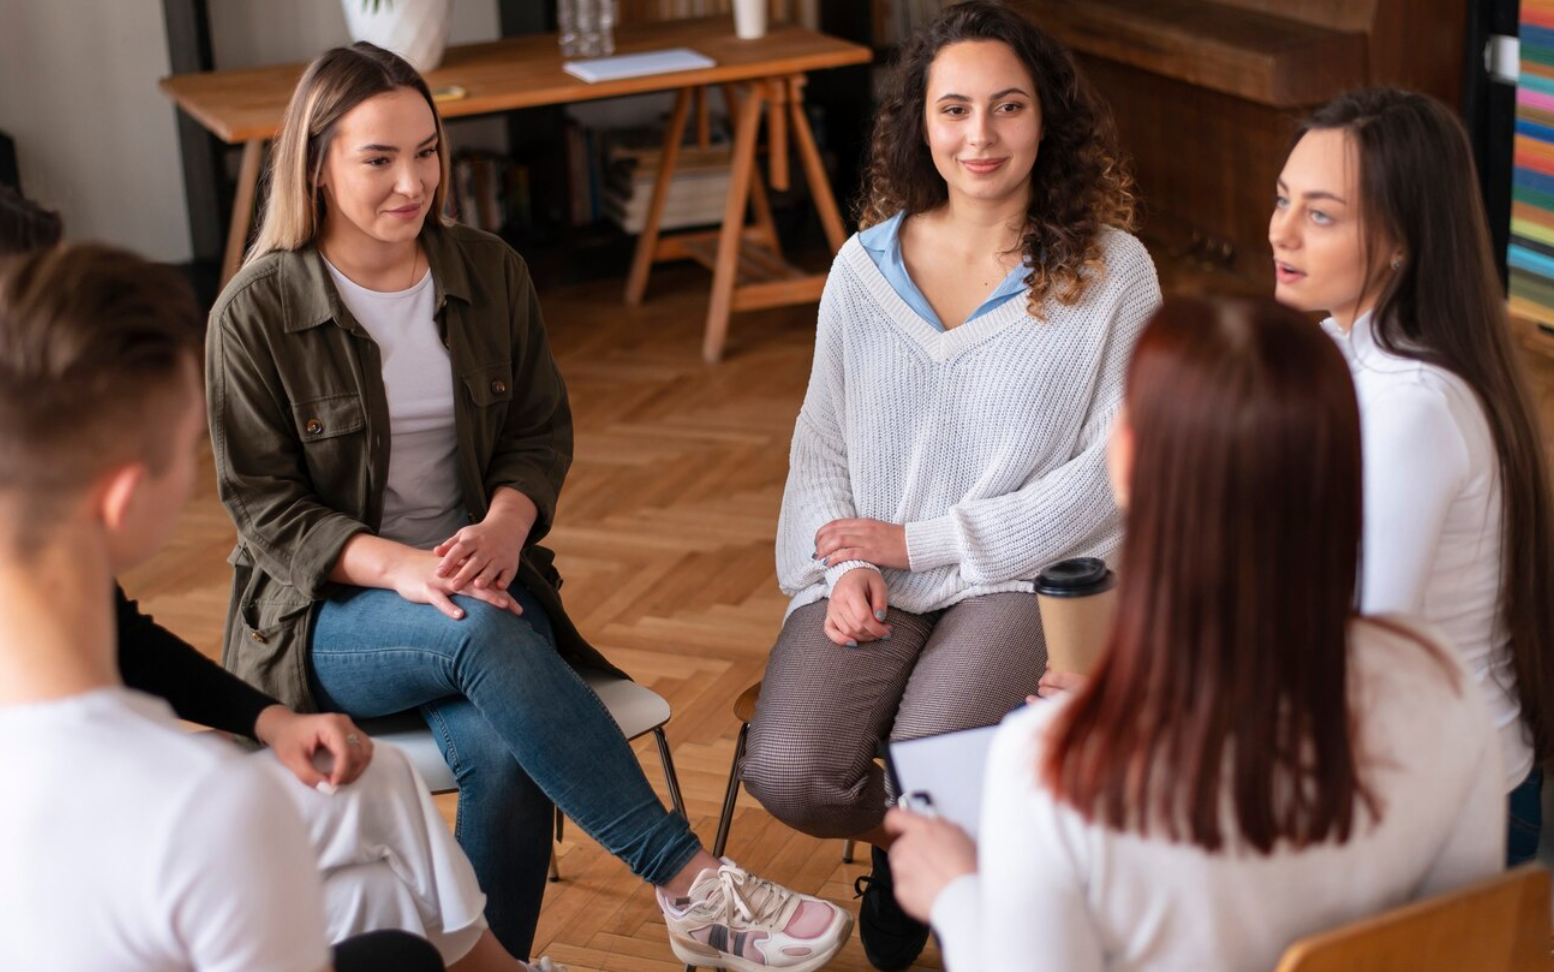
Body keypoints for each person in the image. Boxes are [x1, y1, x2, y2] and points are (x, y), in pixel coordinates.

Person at [207, 41, 852, 970]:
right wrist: (406, 568)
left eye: (426, 152)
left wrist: (508, 522)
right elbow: (265, 511)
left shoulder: (488, 269)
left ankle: (500, 961)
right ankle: (688, 883)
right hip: (330, 616)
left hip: (486, 591)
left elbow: (540, 430)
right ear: (315, 164)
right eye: (378, 159)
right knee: (479, 629)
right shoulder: (255, 312)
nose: (413, 182)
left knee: (506, 752)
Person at [0, 183, 544, 972]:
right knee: (394, 945)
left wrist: (269, 722)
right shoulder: (203, 806)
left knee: (381, 825)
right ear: (120, 501)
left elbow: (125, 638)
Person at [884, 295, 1505, 972]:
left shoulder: (1053, 764)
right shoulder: (1444, 688)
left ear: (1127, 464)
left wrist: (954, 895)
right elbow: (1466, 941)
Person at [738, 2, 1159, 967]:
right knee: (792, 769)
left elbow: (1109, 479)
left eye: (1007, 108)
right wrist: (839, 566)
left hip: (1030, 576)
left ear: (1045, 118)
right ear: (919, 121)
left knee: (935, 756)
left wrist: (915, 544)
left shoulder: (1115, 273)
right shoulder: (861, 271)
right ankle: (925, 851)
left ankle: (938, 863)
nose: (980, 137)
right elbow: (821, 446)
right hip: (871, 571)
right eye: (955, 109)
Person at [1270, 87, 1554, 865]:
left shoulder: (1412, 406)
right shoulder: (1338, 350)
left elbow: (1364, 650)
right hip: (1378, 761)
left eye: (1321, 215)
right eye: (1283, 198)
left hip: (1452, 801)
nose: (1281, 231)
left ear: (1401, 241)